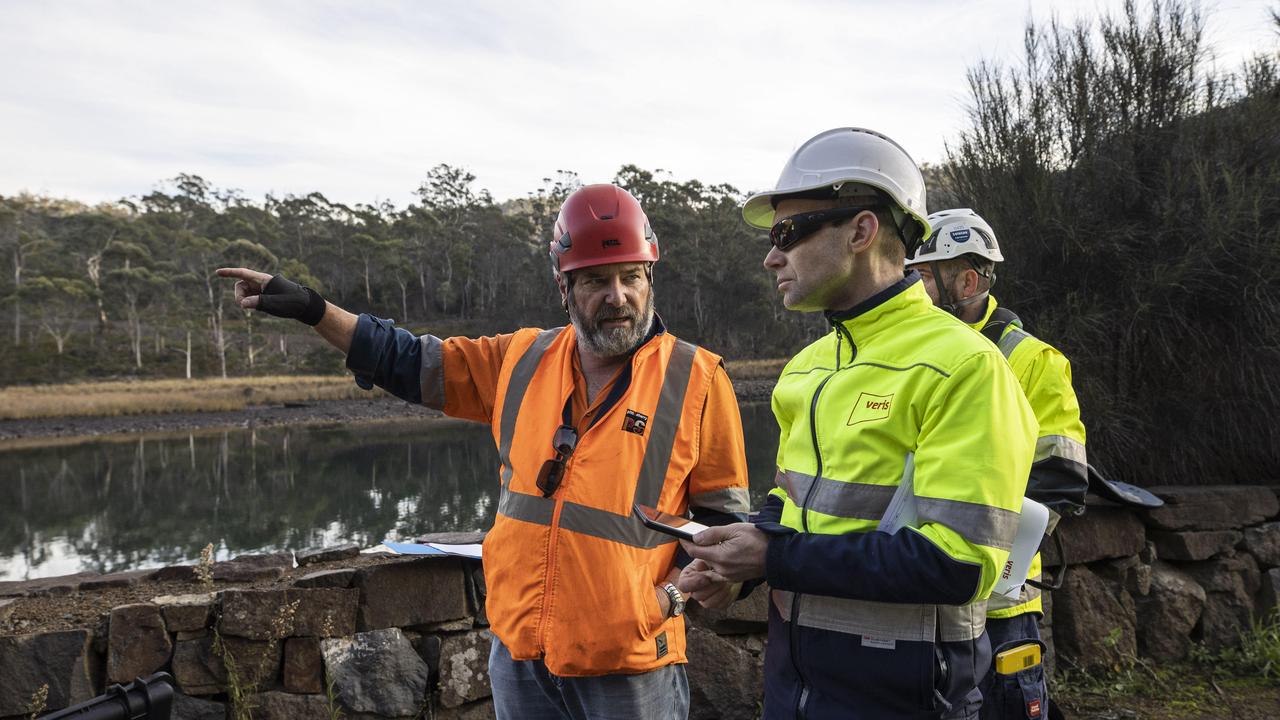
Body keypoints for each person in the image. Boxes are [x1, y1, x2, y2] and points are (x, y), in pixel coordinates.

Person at [218, 183, 750, 720]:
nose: (617, 296)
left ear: (650, 277)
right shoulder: (519, 359)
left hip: (631, 666)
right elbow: (408, 359)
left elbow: (721, 522)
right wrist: (314, 311)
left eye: (631, 276)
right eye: (595, 280)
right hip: (520, 654)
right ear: (564, 287)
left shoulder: (697, 379)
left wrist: (667, 600)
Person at [677, 128, 1038, 720]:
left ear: (861, 231)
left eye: (787, 233)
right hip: (794, 690)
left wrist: (771, 559)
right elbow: (788, 509)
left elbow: (961, 563)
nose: (772, 256)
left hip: (911, 696)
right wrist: (738, 570)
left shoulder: (966, 366)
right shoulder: (806, 369)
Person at [906, 208, 1090, 720]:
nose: (911, 288)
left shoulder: (1032, 360)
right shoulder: (913, 354)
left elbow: (1060, 479)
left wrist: (992, 559)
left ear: (966, 280)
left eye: (922, 277)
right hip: (922, 591)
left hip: (1001, 608)